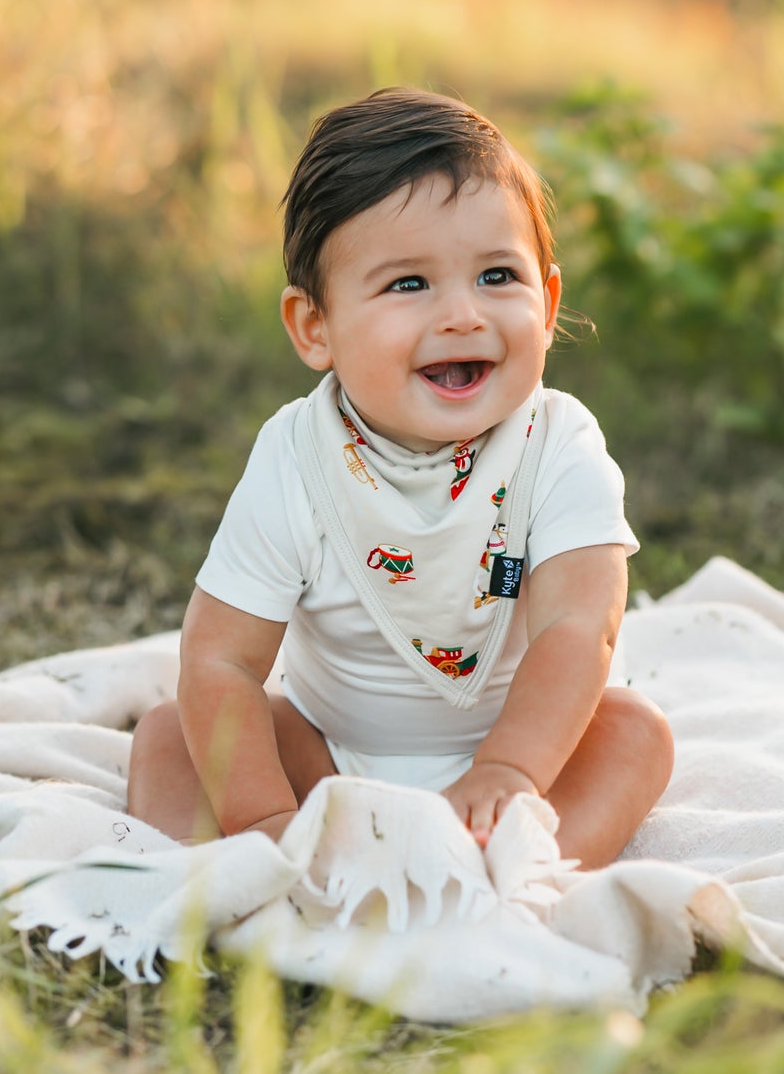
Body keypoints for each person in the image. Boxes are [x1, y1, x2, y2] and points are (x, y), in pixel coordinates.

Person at [126, 89, 674, 869]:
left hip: (525, 759)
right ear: (315, 327)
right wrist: (261, 814)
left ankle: (504, 885)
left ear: (548, 303)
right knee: (170, 735)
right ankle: (255, 876)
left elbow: (578, 629)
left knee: (634, 734)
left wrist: (508, 771)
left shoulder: (558, 445)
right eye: (409, 284)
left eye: (496, 276)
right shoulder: (297, 456)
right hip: (330, 761)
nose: (462, 315)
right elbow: (223, 658)